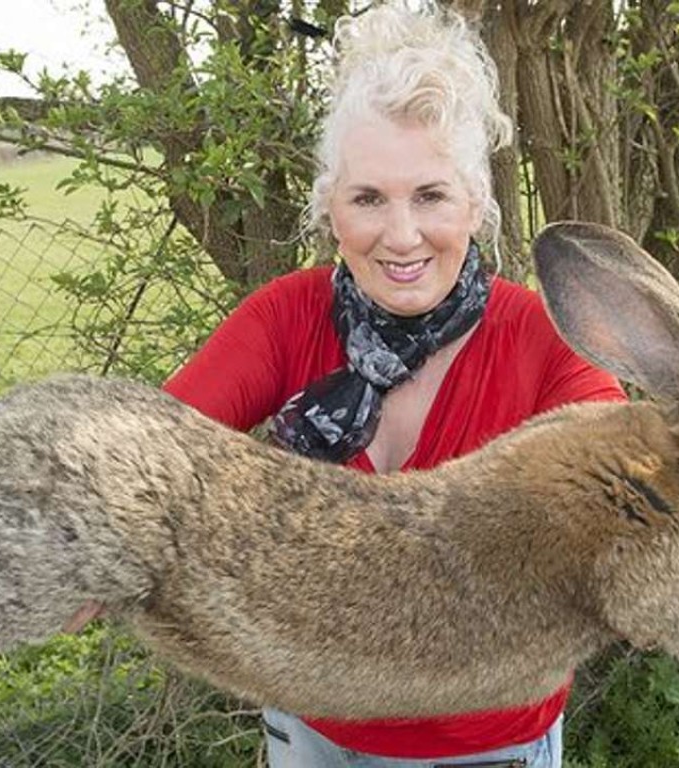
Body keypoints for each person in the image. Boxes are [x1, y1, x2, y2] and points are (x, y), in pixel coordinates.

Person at [163, 1, 625, 765]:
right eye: (368, 198)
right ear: (329, 207)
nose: (401, 236)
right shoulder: (286, 318)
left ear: (476, 203)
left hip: (488, 744)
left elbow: (617, 509)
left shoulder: (546, 343)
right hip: (312, 728)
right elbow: (145, 453)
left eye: (431, 196)